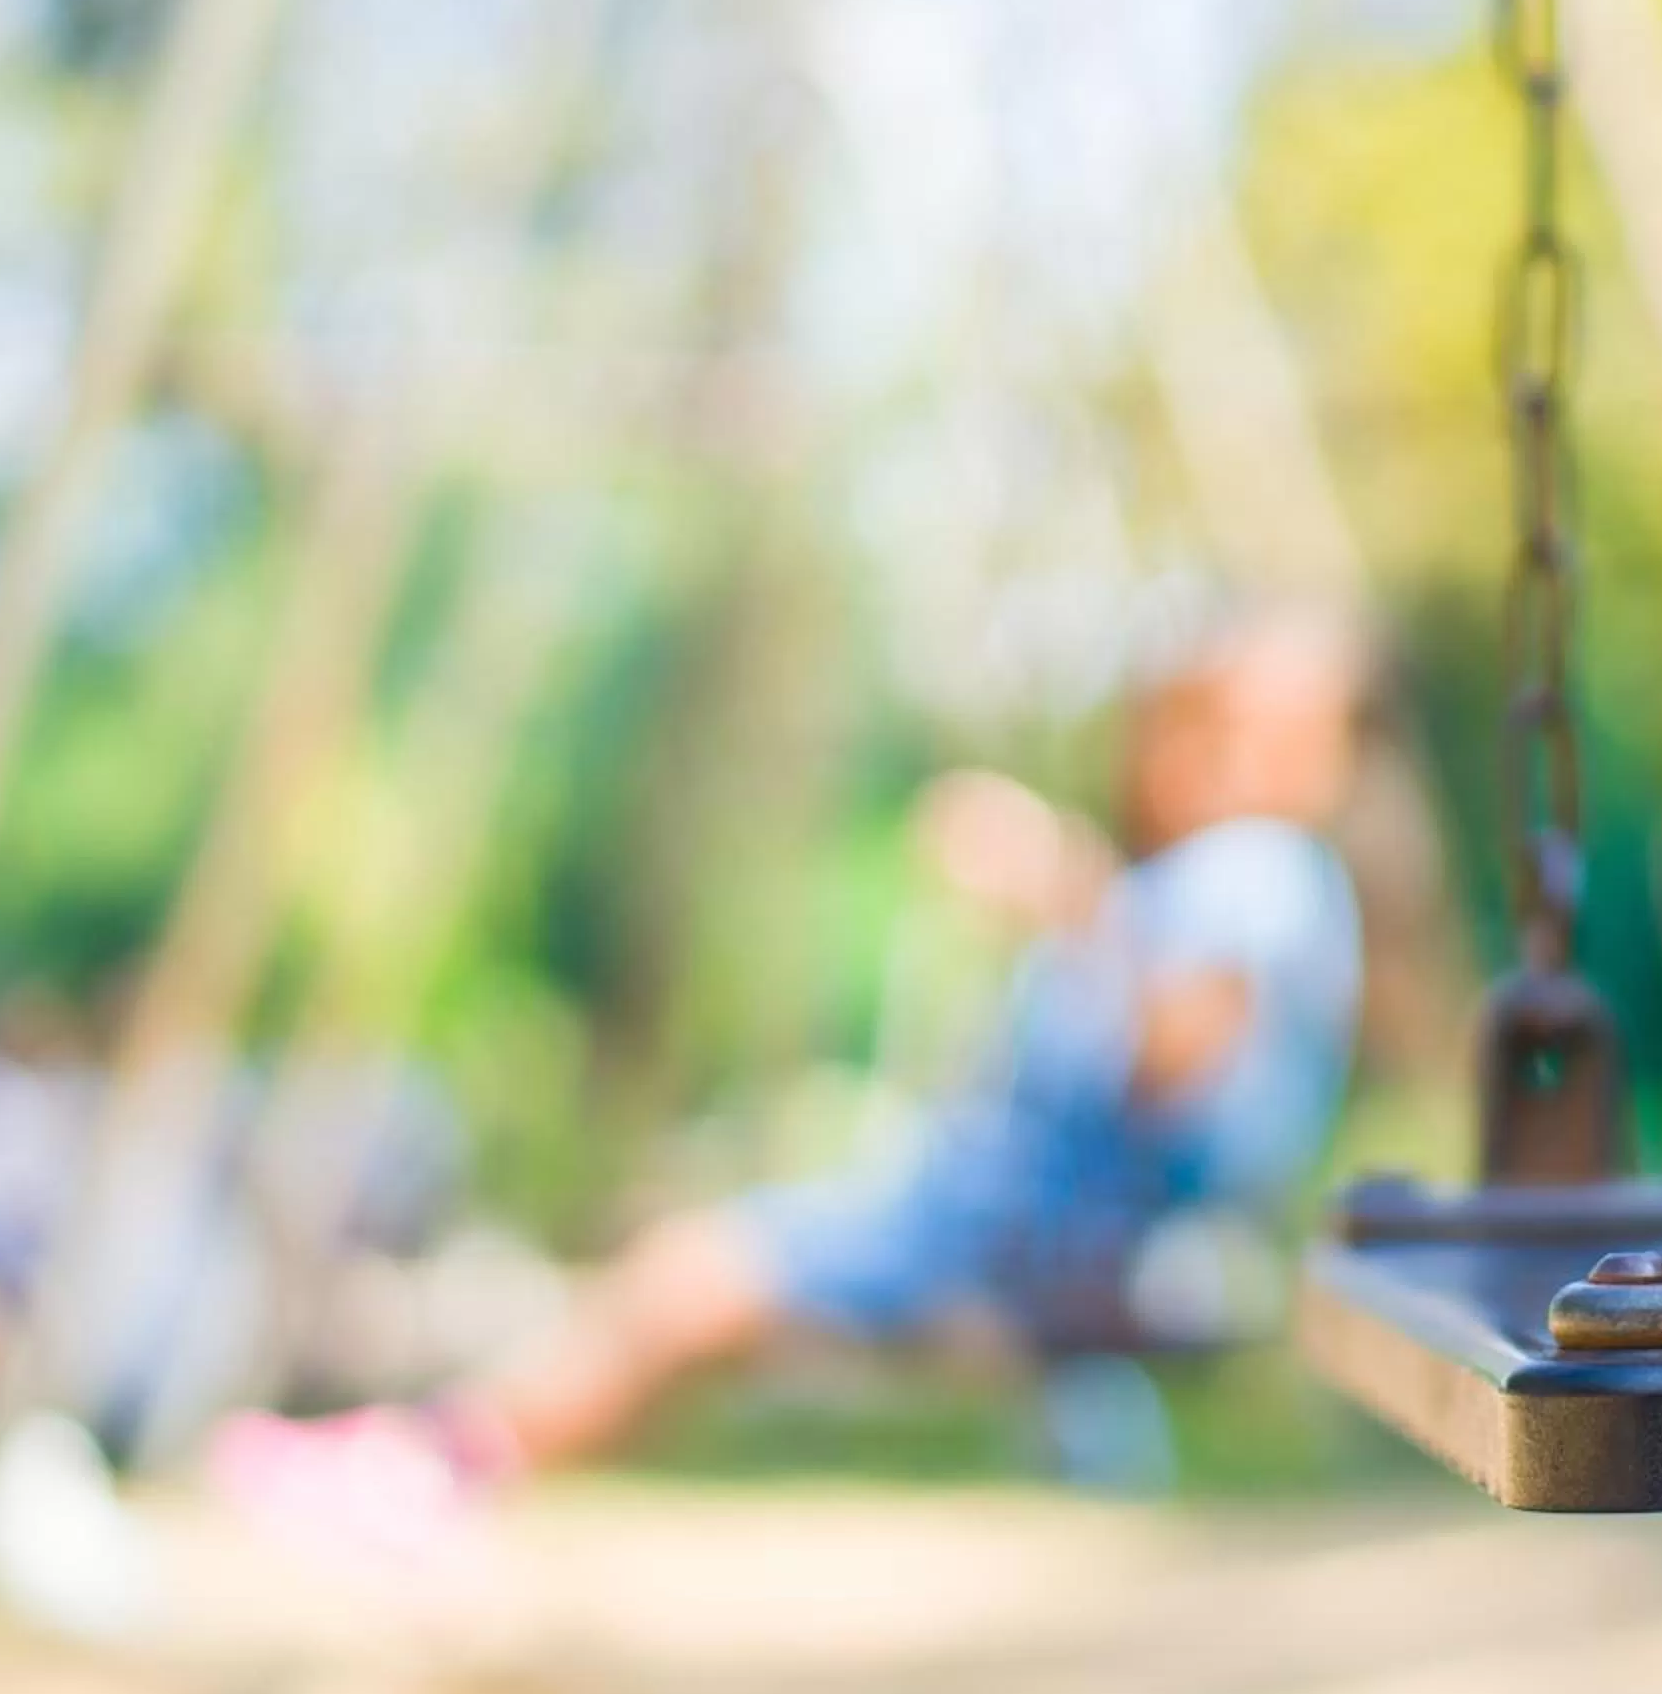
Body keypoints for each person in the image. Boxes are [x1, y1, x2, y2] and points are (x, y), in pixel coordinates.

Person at [210, 616, 1368, 1553]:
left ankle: (435, 1469)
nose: (1206, 760)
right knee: (679, 1295)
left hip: (1046, 1232)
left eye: (1255, 733)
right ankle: (446, 1462)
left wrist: (1064, 890)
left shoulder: (1254, 871)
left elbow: (1181, 1058)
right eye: (1198, 727)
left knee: (677, 1283)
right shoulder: (1206, 884)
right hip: (1025, 1217)